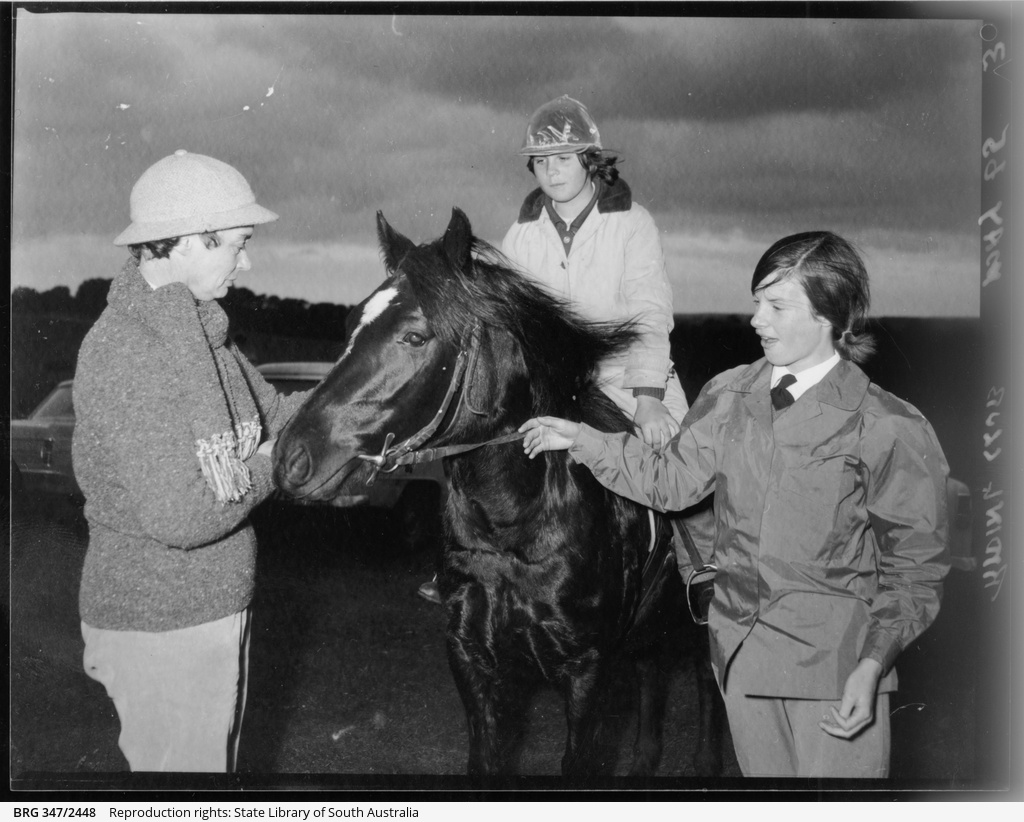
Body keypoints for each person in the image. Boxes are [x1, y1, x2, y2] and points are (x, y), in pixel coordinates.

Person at [519, 231, 950, 778]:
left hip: (835, 671)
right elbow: (670, 480)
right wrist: (582, 439)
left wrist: (873, 663)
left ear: (828, 316)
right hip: (742, 660)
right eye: (756, 303)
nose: (757, 320)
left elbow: (914, 571)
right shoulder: (729, 395)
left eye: (776, 305)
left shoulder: (889, 426)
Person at [73, 150, 308, 772]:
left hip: (202, 613)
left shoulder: (201, 333)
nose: (248, 260)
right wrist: (267, 463)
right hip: (162, 626)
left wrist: (369, 387)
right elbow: (183, 515)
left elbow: (277, 413)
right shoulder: (129, 349)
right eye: (237, 243)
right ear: (185, 244)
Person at [417, 94, 691, 605]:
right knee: (479, 442)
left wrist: (650, 395)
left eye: (563, 158)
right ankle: (461, 562)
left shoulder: (633, 223)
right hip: (551, 381)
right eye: (541, 161)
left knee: (678, 456)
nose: (550, 171)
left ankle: (702, 568)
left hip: (624, 374)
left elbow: (651, 313)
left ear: (590, 160)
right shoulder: (522, 233)